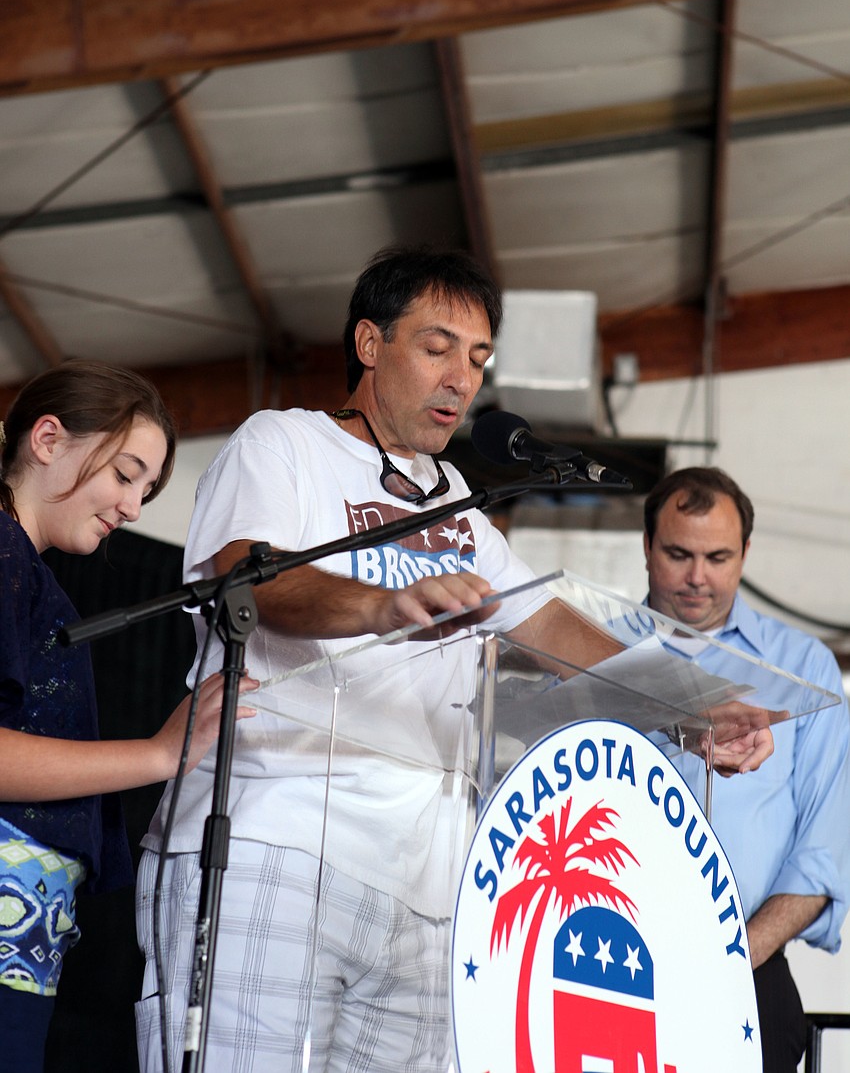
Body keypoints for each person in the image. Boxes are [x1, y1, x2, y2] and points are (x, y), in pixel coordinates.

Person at [136, 247, 775, 1073]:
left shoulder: (463, 513)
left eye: (478, 359)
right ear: (370, 343)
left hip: (431, 894)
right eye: (437, 347)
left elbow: (558, 630)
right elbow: (243, 575)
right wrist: (380, 603)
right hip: (275, 845)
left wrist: (694, 708)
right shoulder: (284, 443)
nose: (462, 379)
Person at [0, 359, 257, 1073]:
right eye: (126, 474)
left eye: (147, 488)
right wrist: (154, 753)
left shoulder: (32, 573)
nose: (136, 507)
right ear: (47, 438)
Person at [643, 465, 850, 1073]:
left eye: (718, 557)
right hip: (604, 957)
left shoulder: (802, 666)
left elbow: (826, 849)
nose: (697, 577)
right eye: (678, 554)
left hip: (749, 973)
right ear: (647, 545)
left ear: (746, 553)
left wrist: (732, 955)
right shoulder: (592, 649)